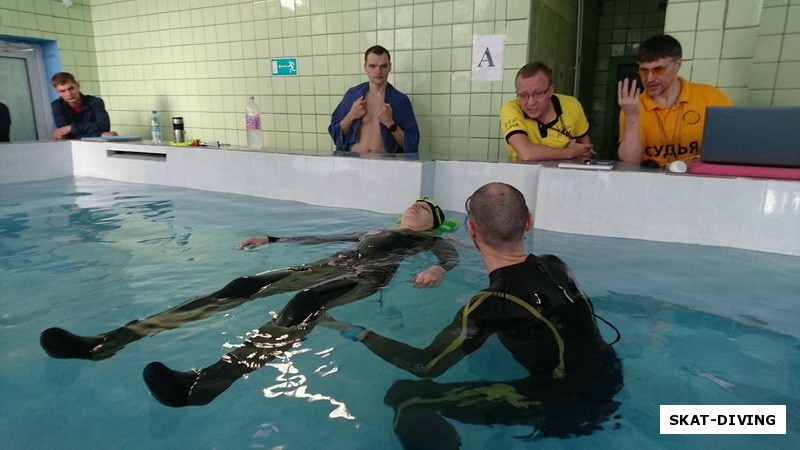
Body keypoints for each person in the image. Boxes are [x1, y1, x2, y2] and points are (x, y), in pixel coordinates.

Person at [40, 197, 459, 407]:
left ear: (433, 222)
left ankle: (206, 384)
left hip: (362, 278)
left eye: (424, 207)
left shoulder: (430, 239)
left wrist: (440, 269)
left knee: (304, 304)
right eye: (414, 202)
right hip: (328, 263)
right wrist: (275, 239)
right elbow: (328, 239)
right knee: (240, 284)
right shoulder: (375, 229)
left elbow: (450, 256)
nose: (414, 206)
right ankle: (105, 343)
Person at [324, 183, 622, 449]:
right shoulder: (556, 264)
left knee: (407, 396)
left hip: (569, 404)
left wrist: (354, 330)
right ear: (529, 222)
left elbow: (425, 365)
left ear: (472, 230)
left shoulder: (492, 303)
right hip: (611, 375)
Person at [617, 34, 733, 168]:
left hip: (698, 181)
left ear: (677, 65)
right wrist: (631, 116)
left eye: (658, 70)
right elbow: (630, 163)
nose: (649, 79)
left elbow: (732, 147)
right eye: (644, 71)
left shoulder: (710, 97)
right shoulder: (633, 105)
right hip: (651, 182)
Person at [329, 45, 420, 154]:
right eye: (372, 66)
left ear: (390, 67)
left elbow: (412, 143)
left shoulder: (400, 101)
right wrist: (352, 115)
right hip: (353, 164)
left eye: (383, 66)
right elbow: (334, 131)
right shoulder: (352, 95)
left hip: (385, 166)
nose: (378, 71)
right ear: (365, 67)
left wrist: (390, 123)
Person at [500, 62, 594, 162]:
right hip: (522, 174)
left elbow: (585, 150)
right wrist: (570, 152)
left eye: (538, 93)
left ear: (550, 91)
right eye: (523, 95)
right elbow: (527, 153)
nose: (531, 102)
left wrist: (583, 153)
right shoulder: (511, 109)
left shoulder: (572, 105)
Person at [50, 72, 118, 140]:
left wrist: (70, 128)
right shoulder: (57, 106)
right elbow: (66, 135)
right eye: (63, 91)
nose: (69, 94)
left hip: (98, 145)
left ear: (78, 85)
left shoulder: (95, 102)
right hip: (74, 146)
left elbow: (103, 127)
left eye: (71, 88)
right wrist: (99, 134)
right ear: (57, 92)